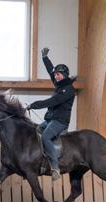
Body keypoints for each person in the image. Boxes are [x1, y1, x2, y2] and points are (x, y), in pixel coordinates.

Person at [26, 47, 76, 181]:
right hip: (50, 119)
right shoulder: (60, 84)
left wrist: (34, 105)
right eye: (56, 74)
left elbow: (53, 101)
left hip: (60, 121)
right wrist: (45, 58)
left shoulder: (68, 90)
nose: (55, 76)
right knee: (37, 130)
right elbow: (50, 70)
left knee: (46, 137)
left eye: (58, 74)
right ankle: (39, 162)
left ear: (64, 75)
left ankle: (55, 168)